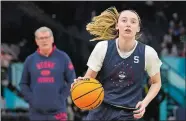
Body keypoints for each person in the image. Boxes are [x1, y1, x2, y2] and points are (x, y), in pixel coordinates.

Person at [72, 7, 162, 120]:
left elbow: (156, 82)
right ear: (117, 25)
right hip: (101, 110)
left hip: (128, 113)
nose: (128, 24)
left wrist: (144, 103)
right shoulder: (103, 47)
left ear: (138, 28)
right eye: (124, 20)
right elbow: (89, 78)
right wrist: (80, 85)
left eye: (133, 22)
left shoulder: (148, 53)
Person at [19, 26, 76, 121]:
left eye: (47, 37)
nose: (44, 41)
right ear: (36, 41)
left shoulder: (63, 57)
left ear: (52, 39)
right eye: (41, 38)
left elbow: (72, 81)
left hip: (58, 112)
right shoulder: (30, 60)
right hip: (36, 113)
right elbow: (23, 83)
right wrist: (32, 99)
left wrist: (61, 98)